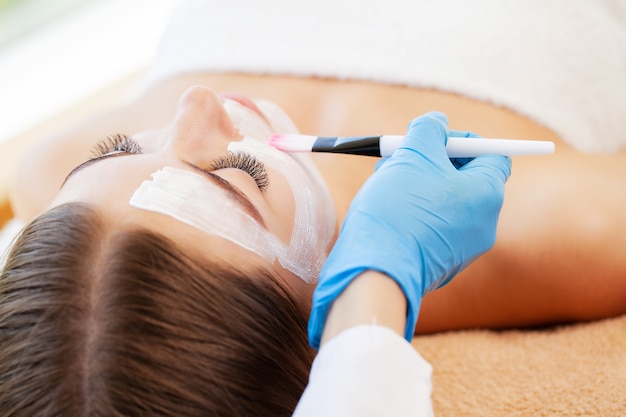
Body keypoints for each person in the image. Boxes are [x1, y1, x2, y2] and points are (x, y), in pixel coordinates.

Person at [1, 0, 625, 414]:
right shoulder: (550, 225)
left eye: (114, 151)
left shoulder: (53, 177)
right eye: (239, 175)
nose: (196, 105)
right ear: (313, 332)